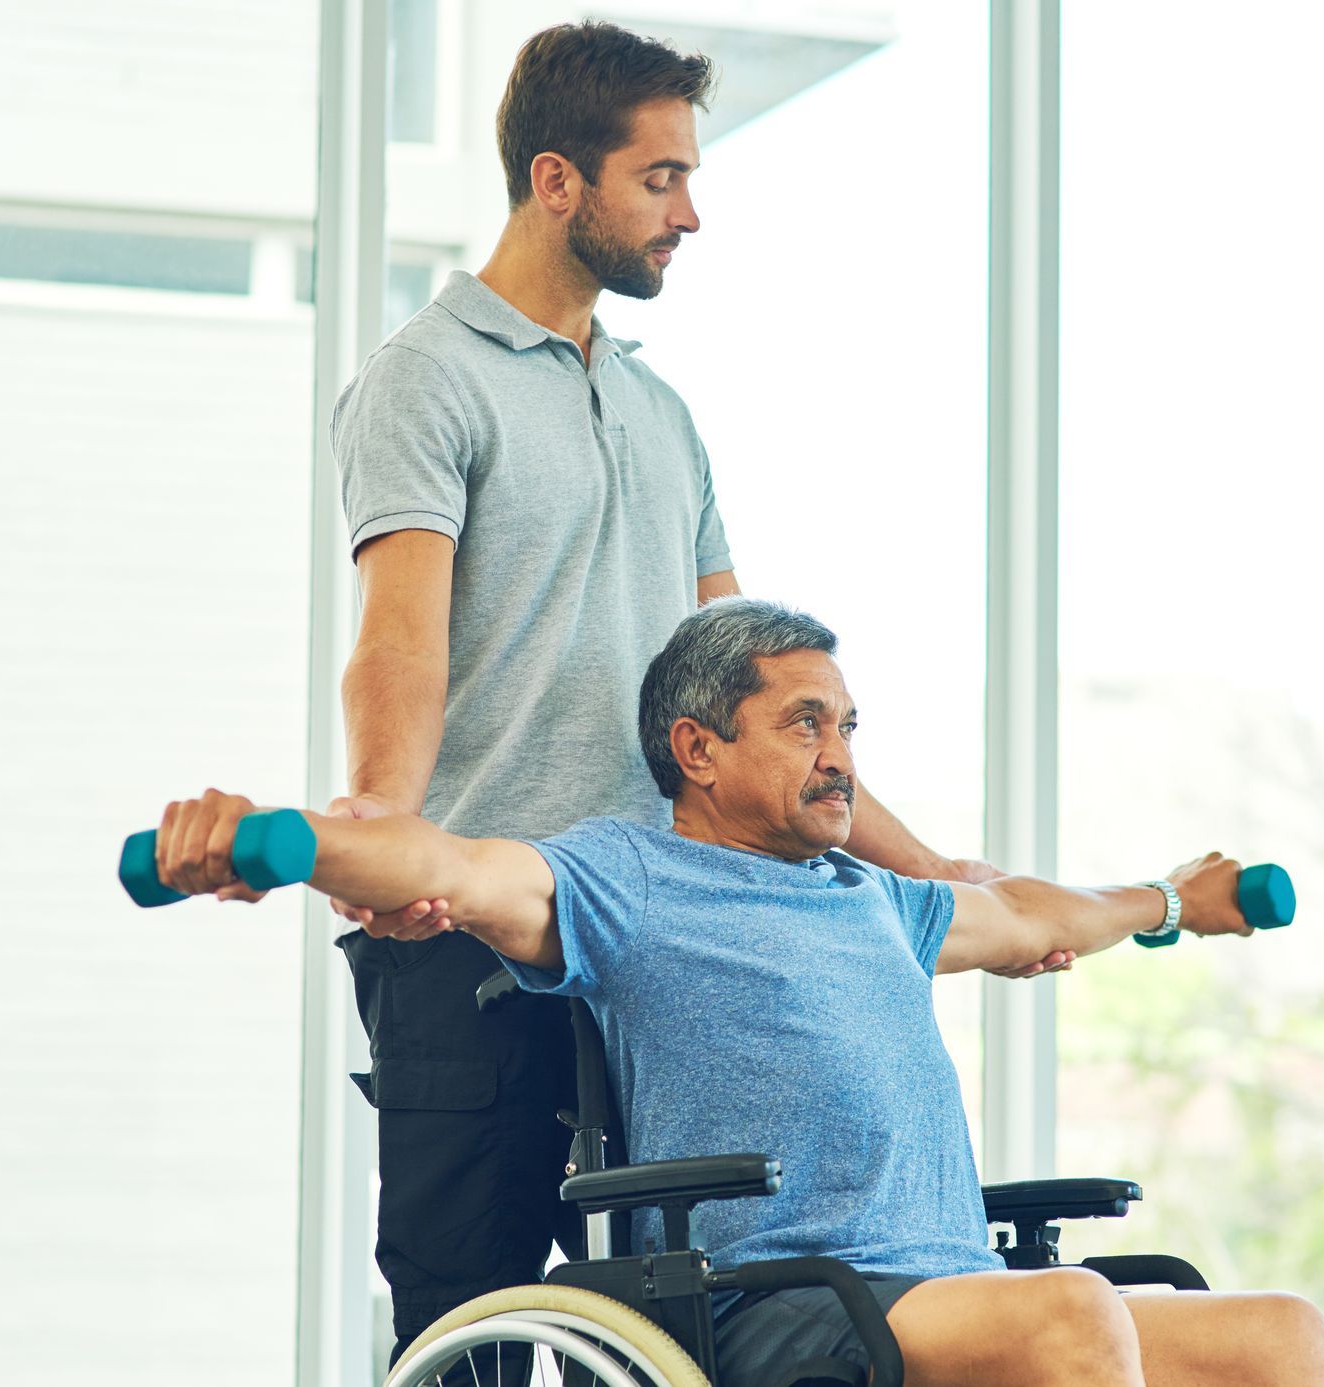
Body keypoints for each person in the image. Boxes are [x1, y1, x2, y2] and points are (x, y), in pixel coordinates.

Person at [325, 19, 1068, 1366]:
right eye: (660, 178)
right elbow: (400, 642)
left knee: (697, 1305)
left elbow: (755, 677)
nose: (692, 213)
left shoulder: (661, 414)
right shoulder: (425, 380)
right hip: (478, 941)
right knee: (466, 1325)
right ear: (559, 181)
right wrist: (381, 824)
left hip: (664, 927)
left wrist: (926, 862)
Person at [153, 599, 1324, 1387]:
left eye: (845, 726)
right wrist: (285, 840)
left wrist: (1174, 900)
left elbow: (1036, 915)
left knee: (1280, 1336)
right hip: (778, 1296)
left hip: (948, 1294)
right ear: (698, 749)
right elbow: (450, 867)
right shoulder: (625, 877)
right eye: (804, 724)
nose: (839, 756)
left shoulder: (875, 897)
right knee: (1074, 1316)